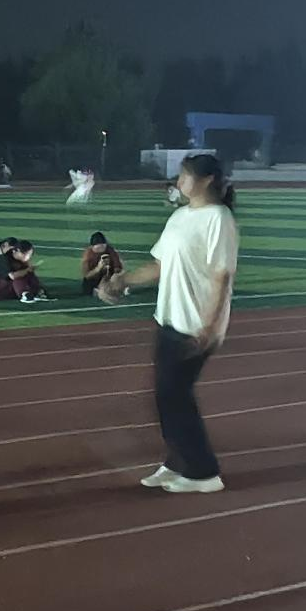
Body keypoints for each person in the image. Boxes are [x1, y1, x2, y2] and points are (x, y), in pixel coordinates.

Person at [99, 153, 238, 493]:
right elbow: (159, 266)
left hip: (195, 324)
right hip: (169, 318)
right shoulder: (179, 217)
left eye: (184, 176)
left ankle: (204, 473)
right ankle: (178, 462)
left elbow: (221, 276)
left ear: (206, 180)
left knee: (176, 396)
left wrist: (210, 325)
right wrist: (123, 281)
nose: (179, 182)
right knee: (166, 397)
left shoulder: (219, 219)